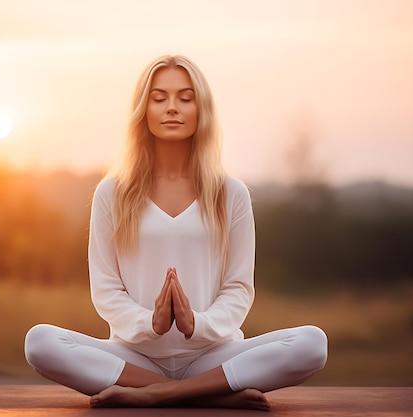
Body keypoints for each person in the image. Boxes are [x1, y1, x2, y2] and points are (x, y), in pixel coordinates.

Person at [24, 55, 327, 410]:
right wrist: (148, 323)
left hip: (215, 354)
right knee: (39, 342)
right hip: (134, 356)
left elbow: (238, 289)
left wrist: (196, 323)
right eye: (159, 98)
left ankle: (158, 394)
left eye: (185, 98)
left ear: (202, 110)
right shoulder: (112, 193)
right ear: (144, 109)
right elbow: (106, 290)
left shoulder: (231, 194)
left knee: (312, 343)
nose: (172, 108)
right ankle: (209, 393)